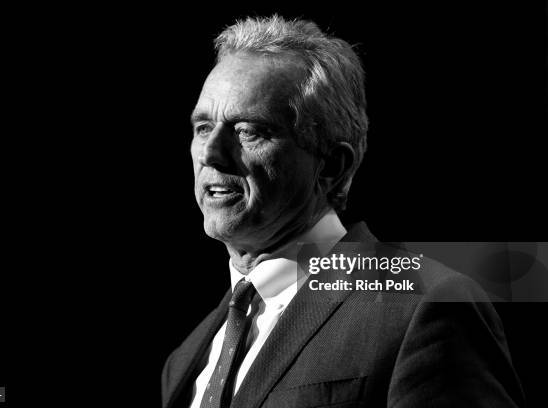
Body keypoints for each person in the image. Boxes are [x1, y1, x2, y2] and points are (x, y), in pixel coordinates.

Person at [162, 15, 524, 408]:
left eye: (248, 130)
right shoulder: (186, 359)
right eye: (202, 127)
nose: (211, 154)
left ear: (332, 166)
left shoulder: (425, 303)